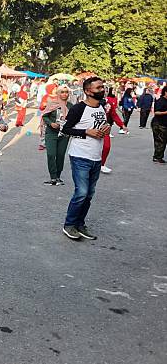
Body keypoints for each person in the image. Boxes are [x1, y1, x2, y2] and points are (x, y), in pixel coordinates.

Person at [60, 76, 110, 241]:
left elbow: (100, 125)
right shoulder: (78, 108)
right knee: (81, 192)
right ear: (88, 91)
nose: (102, 90)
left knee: (89, 194)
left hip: (96, 157)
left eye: (102, 87)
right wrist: (85, 132)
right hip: (80, 155)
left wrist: (106, 128)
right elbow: (66, 129)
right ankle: (69, 225)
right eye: (98, 88)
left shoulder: (101, 106)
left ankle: (80, 224)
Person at [42, 85, 73, 185]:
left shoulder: (70, 106)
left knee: (60, 156)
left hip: (64, 134)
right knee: (51, 154)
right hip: (51, 132)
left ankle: (58, 177)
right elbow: (45, 116)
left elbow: (73, 119)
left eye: (66, 92)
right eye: (62, 92)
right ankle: (53, 177)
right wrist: (51, 123)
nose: (64, 94)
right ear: (58, 93)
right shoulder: (52, 103)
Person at [101, 87, 128, 174]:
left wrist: (122, 125)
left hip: (104, 128)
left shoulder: (108, 101)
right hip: (91, 128)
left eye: (104, 90)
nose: (102, 91)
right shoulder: (90, 102)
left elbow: (113, 114)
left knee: (106, 146)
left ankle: (102, 164)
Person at [151, 86, 167, 164]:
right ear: (165, 92)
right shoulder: (161, 101)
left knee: (163, 141)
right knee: (160, 141)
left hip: (164, 123)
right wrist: (165, 112)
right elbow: (156, 112)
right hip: (158, 124)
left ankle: (158, 156)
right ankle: (157, 157)